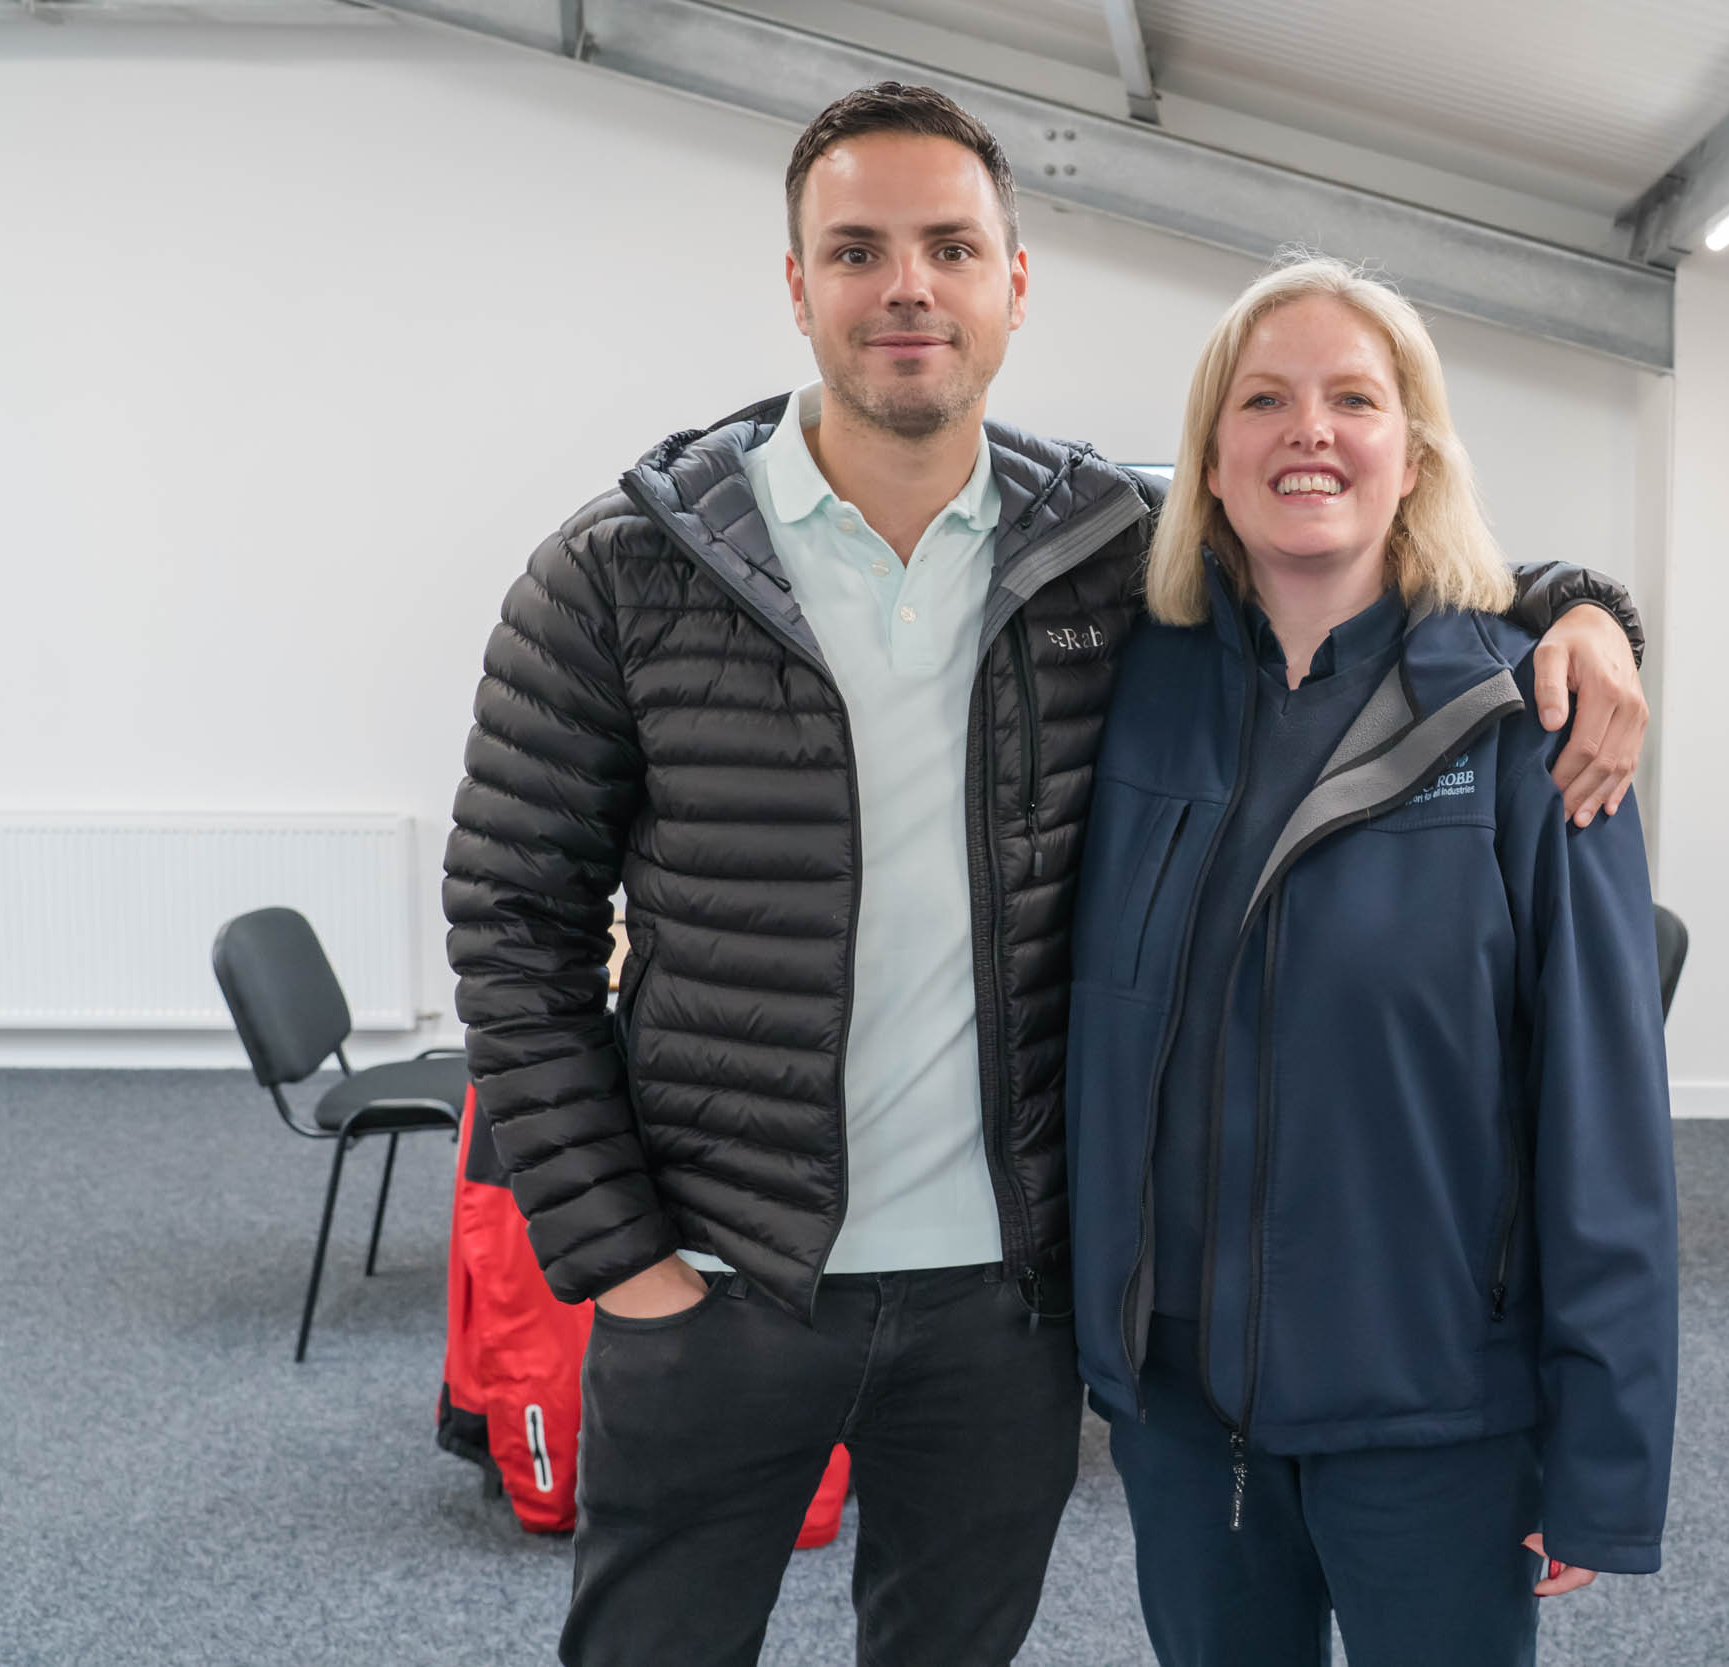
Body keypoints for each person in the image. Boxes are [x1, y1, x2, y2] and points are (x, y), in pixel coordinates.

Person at [444, 83, 1650, 1667]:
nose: (908, 288)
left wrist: (1585, 607)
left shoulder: (1095, 550)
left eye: (952, 247)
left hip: (997, 1311)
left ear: (1015, 285)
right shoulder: (623, 572)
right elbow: (511, 923)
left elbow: (1352, 516)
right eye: (859, 249)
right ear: (797, 285)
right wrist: (626, 1260)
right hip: (725, 1279)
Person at [1065, 256, 1678, 1667]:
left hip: (1436, 1420)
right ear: (1209, 458)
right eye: (1264, 400)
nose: (1310, 432)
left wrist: (1604, 1452)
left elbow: (1606, 1125)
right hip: (1183, 1414)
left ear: (1415, 454)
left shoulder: (1530, 720)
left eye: (1355, 398)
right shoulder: (1123, 697)